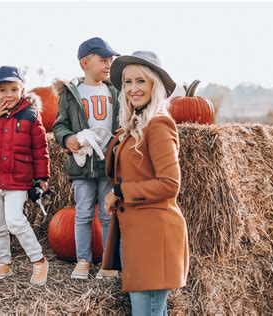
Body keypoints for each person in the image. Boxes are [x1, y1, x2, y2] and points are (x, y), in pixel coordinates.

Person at [102, 51, 190, 315]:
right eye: (128, 82)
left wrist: (120, 192)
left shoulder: (159, 125)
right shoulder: (134, 125)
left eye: (141, 81)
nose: (132, 89)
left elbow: (169, 184)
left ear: (154, 85)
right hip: (138, 236)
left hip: (154, 237)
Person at [0, 66, 50, 286]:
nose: (9, 94)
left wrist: (42, 176)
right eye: (2, 90)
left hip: (18, 178)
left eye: (14, 89)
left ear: (22, 89)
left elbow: (40, 148)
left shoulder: (30, 114)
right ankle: (4, 261)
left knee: (14, 220)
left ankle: (38, 259)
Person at [53, 37, 120, 280]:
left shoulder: (114, 91)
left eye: (110, 61)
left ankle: (106, 261)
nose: (108, 64)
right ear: (85, 63)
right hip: (82, 163)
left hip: (107, 164)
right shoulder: (72, 93)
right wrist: (67, 138)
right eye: (103, 60)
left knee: (107, 214)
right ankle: (83, 260)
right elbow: (60, 125)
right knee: (82, 213)